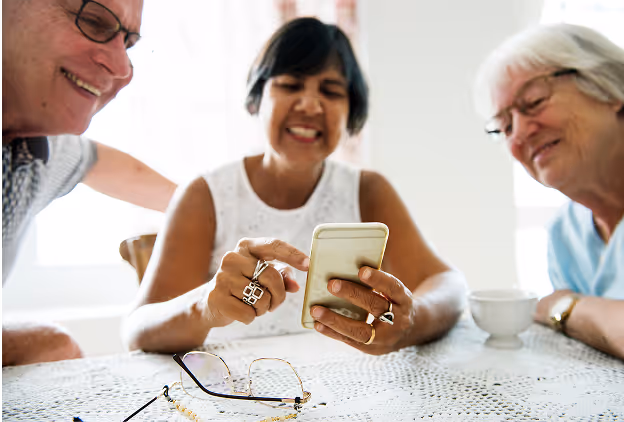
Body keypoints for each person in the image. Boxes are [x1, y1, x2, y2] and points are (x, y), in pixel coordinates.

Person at [123, 17, 467, 356]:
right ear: (257, 98)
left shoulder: (368, 191)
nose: (310, 105)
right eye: (290, 85)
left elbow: (448, 286)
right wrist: (205, 305)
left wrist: (411, 320)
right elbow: (138, 329)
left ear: (352, 113)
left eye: (331, 92)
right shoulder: (205, 196)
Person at [2, 0, 178, 366]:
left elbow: (99, 164)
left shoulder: (37, 148)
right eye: (94, 22)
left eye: (128, 44)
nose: (123, 70)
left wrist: (207, 210)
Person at [474, 23, 624, 359]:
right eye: (505, 126)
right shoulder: (563, 235)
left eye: (534, 101)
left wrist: (566, 306)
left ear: (611, 89)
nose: (520, 134)